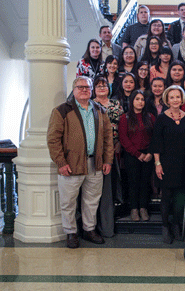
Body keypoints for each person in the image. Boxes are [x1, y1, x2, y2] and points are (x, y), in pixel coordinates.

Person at [47, 77, 113, 248]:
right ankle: (71, 233)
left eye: (87, 87)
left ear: (91, 90)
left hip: (95, 163)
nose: (84, 89)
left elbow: (107, 138)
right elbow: (53, 139)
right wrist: (61, 162)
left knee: (92, 200)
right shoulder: (61, 110)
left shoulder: (99, 110)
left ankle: (89, 230)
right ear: (74, 89)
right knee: (68, 201)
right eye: (80, 87)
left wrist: (108, 160)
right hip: (71, 164)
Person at [150, 85, 185, 244]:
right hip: (166, 163)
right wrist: (157, 163)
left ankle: (176, 224)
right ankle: (165, 226)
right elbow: (156, 143)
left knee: (180, 197)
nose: (175, 100)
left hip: (183, 164)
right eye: (172, 97)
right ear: (167, 100)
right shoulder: (161, 118)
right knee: (166, 197)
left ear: (182, 99)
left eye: (177, 97)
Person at [92, 76, 124, 238]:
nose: (102, 88)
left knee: (111, 185)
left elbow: (122, 124)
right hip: (95, 150)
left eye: (104, 85)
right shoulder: (90, 105)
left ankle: (110, 219)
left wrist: (118, 142)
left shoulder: (116, 104)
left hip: (115, 147)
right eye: (98, 86)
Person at [119, 90, 156, 222]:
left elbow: (155, 137)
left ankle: (143, 208)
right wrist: (137, 154)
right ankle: (134, 208)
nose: (140, 102)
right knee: (133, 182)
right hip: (132, 156)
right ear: (132, 101)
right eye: (137, 99)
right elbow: (123, 138)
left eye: (142, 99)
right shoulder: (125, 118)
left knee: (145, 183)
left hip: (148, 155)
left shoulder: (150, 117)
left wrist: (150, 153)